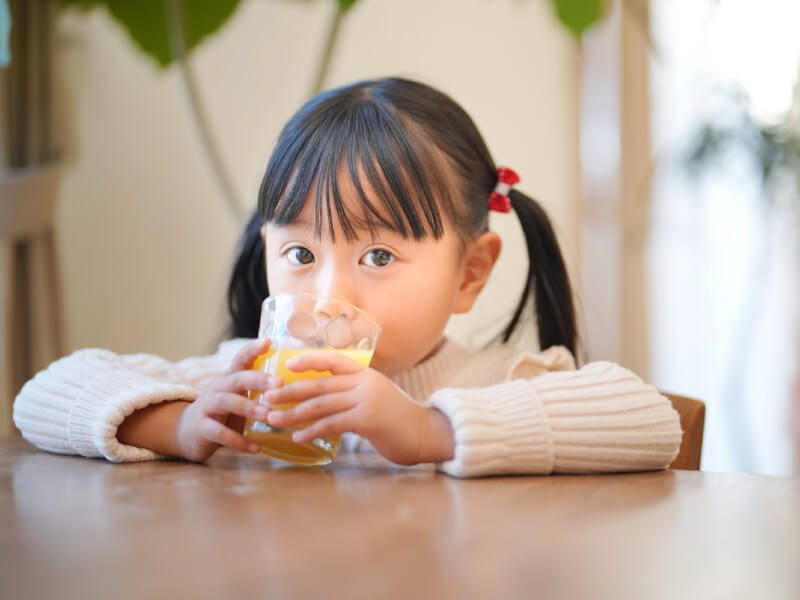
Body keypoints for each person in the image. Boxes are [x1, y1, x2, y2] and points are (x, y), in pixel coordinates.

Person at [13, 77, 682, 477]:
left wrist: (426, 431)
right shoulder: (248, 388)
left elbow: (650, 422)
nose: (327, 301)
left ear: (469, 273)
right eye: (300, 256)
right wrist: (181, 425)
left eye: (379, 257)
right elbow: (41, 397)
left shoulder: (502, 384)